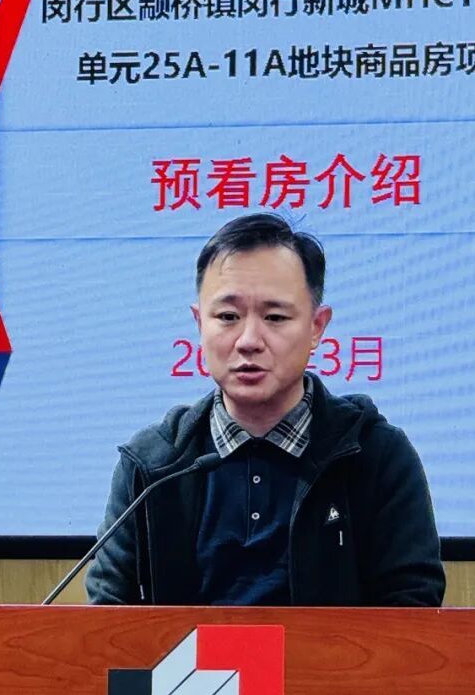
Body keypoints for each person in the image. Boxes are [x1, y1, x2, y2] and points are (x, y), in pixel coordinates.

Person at [85, 212, 445, 606]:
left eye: (275, 317)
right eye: (227, 317)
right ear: (199, 323)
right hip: (181, 653)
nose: (249, 340)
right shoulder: (154, 465)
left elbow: (411, 609)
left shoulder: (377, 456)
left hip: (333, 652)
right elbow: (108, 613)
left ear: (317, 327)